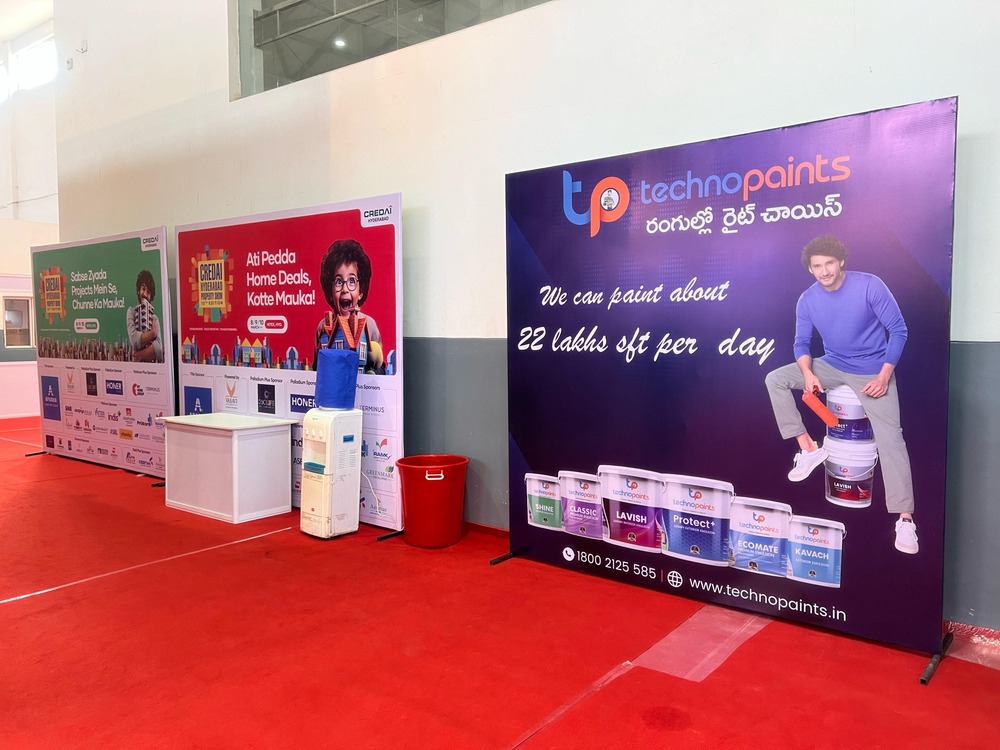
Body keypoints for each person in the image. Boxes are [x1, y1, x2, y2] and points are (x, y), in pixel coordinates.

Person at [764, 235, 918, 554]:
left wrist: (884, 375)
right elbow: (801, 343)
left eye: (829, 263)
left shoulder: (870, 285)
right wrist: (808, 373)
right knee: (775, 379)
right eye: (817, 266)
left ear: (841, 261)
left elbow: (899, 330)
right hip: (832, 364)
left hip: (873, 370)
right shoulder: (807, 299)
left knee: (892, 439)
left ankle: (905, 520)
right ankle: (809, 448)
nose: (824, 271)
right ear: (810, 269)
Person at [315, 239, 385, 374]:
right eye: (338, 281)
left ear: (361, 291)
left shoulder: (369, 324)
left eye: (352, 281)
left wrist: (372, 372)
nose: (345, 289)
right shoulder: (323, 327)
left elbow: (381, 368)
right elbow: (316, 367)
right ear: (330, 291)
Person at [127, 270, 163, 363]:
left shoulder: (154, 318)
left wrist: (139, 355)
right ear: (138, 290)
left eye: (149, 292)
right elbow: (134, 341)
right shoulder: (131, 312)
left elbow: (159, 349)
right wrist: (153, 333)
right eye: (143, 289)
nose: (145, 294)